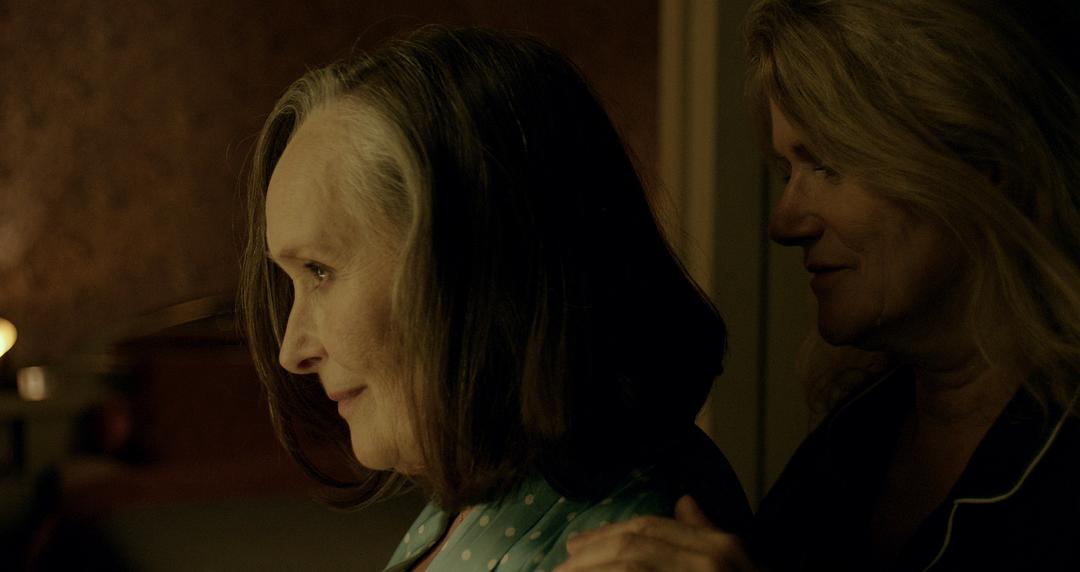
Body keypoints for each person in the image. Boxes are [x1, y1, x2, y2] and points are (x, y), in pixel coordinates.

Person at [557, 0, 1080, 570]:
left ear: (984, 166)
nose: (784, 225)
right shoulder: (855, 438)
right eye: (788, 172)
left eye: (829, 165)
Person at [238, 26, 751, 571]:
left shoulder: (626, 548)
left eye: (319, 270)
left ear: (475, 263)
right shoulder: (481, 497)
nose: (292, 351)